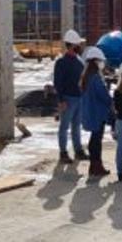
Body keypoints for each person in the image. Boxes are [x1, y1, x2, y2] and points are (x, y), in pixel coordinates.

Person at [53, 30, 86, 163]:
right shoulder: (61, 62)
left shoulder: (79, 62)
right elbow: (58, 83)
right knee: (64, 127)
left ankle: (78, 150)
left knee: (76, 126)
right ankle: (63, 153)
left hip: (79, 98)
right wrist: (60, 100)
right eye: (78, 44)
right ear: (72, 45)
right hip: (68, 99)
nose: (80, 47)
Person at [80, 47, 112, 177]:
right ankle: (96, 165)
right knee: (96, 140)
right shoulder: (95, 78)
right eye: (100, 61)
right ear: (96, 61)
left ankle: (94, 165)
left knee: (94, 139)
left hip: (90, 111)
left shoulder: (86, 77)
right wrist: (112, 100)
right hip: (98, 113)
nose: (102, 63)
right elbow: (103, 95)